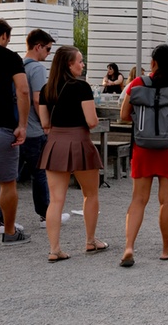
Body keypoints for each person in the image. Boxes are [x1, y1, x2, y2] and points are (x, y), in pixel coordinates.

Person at [119, 44, 168, 267]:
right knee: (166, 201)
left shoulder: (138, 83)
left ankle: (129, 247)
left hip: (143, 148)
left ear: (153, 63)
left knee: (138, 200)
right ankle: (166, 250)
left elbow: (124, 115)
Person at [38, 45, 107, 261]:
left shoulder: (46, 89)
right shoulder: (82, 87)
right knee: (91, 193)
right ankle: (90, 240)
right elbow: (92, 121)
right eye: (80, 61)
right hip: (79, 142)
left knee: (56, 200)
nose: (82, 64)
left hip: (55, 144)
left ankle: (54, 249)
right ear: (70, 64)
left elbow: (45, 123)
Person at [0, 29, 70, 232]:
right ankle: (45, 213)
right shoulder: (37, 68)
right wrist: (46, 123)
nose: (48, 54)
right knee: (38, 173)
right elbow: (37, 98)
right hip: (33, 129)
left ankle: (1, 219)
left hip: (15, 127)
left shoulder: (19, 63)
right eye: (47, 49)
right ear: (38, 46)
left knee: (9, 177)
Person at [0, 19, 31, 245]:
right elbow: (23, 90)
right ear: (3, 37)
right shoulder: (10, 57)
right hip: (2, 126)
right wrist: (23, 125)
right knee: (7, 183)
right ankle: (9, 232)